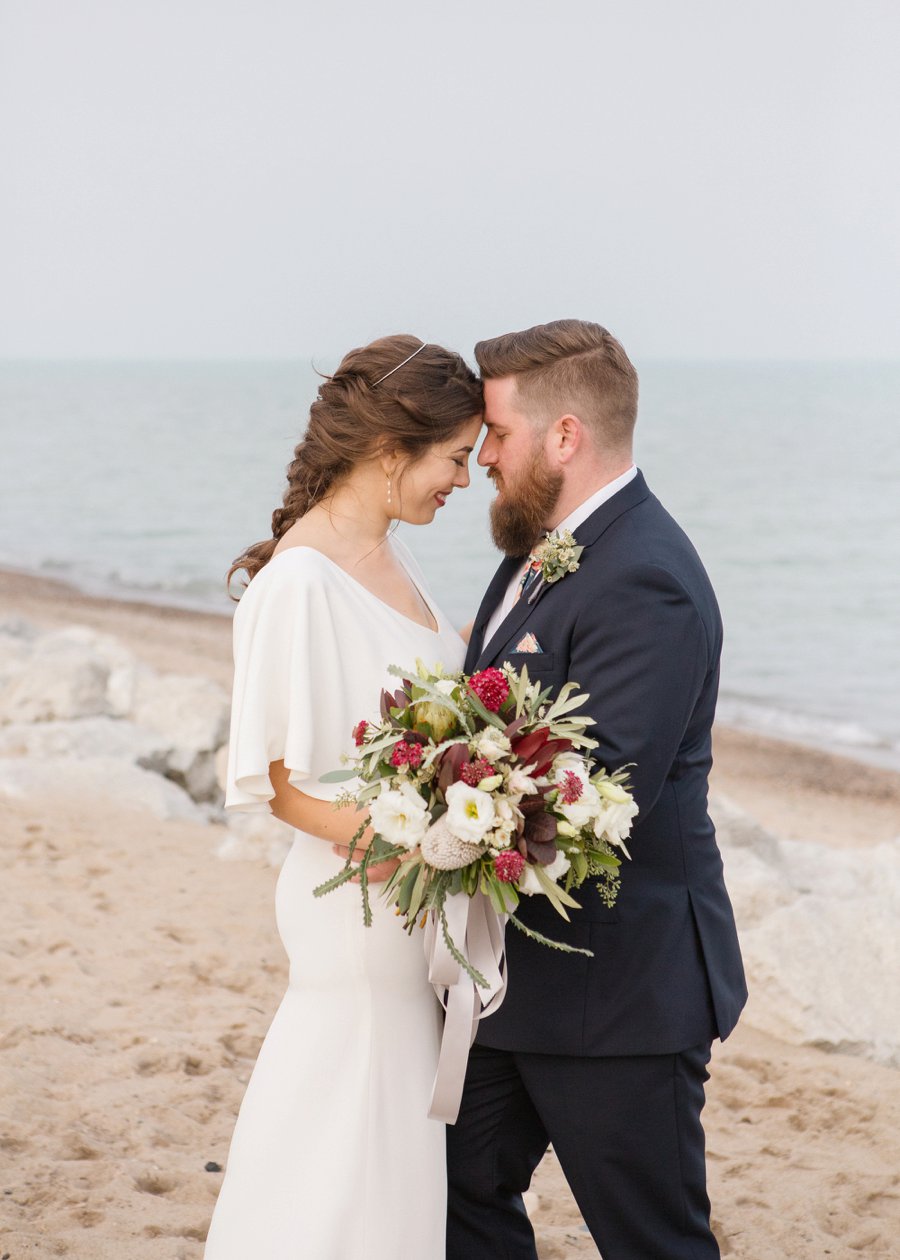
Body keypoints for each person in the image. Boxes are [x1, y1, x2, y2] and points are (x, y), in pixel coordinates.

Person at [448, 319, 747, 1260]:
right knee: (454, 1197)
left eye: (497, 433)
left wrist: (429, 809)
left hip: (621, 991)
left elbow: (597, 791)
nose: (484, 457)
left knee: (652, 1242)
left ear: (564, 435)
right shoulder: (543, 546)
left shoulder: (645, 576)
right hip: (516, 982)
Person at [203, 335, 483, 1259]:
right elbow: (275, 782)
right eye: (455, 458)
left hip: (413, 911)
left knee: (386, 1142)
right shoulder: (298, 580)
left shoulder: (391, 557)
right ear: (394, 446)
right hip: (358, 908)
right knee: (343, 1135)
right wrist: (403, 844)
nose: (465, 481)